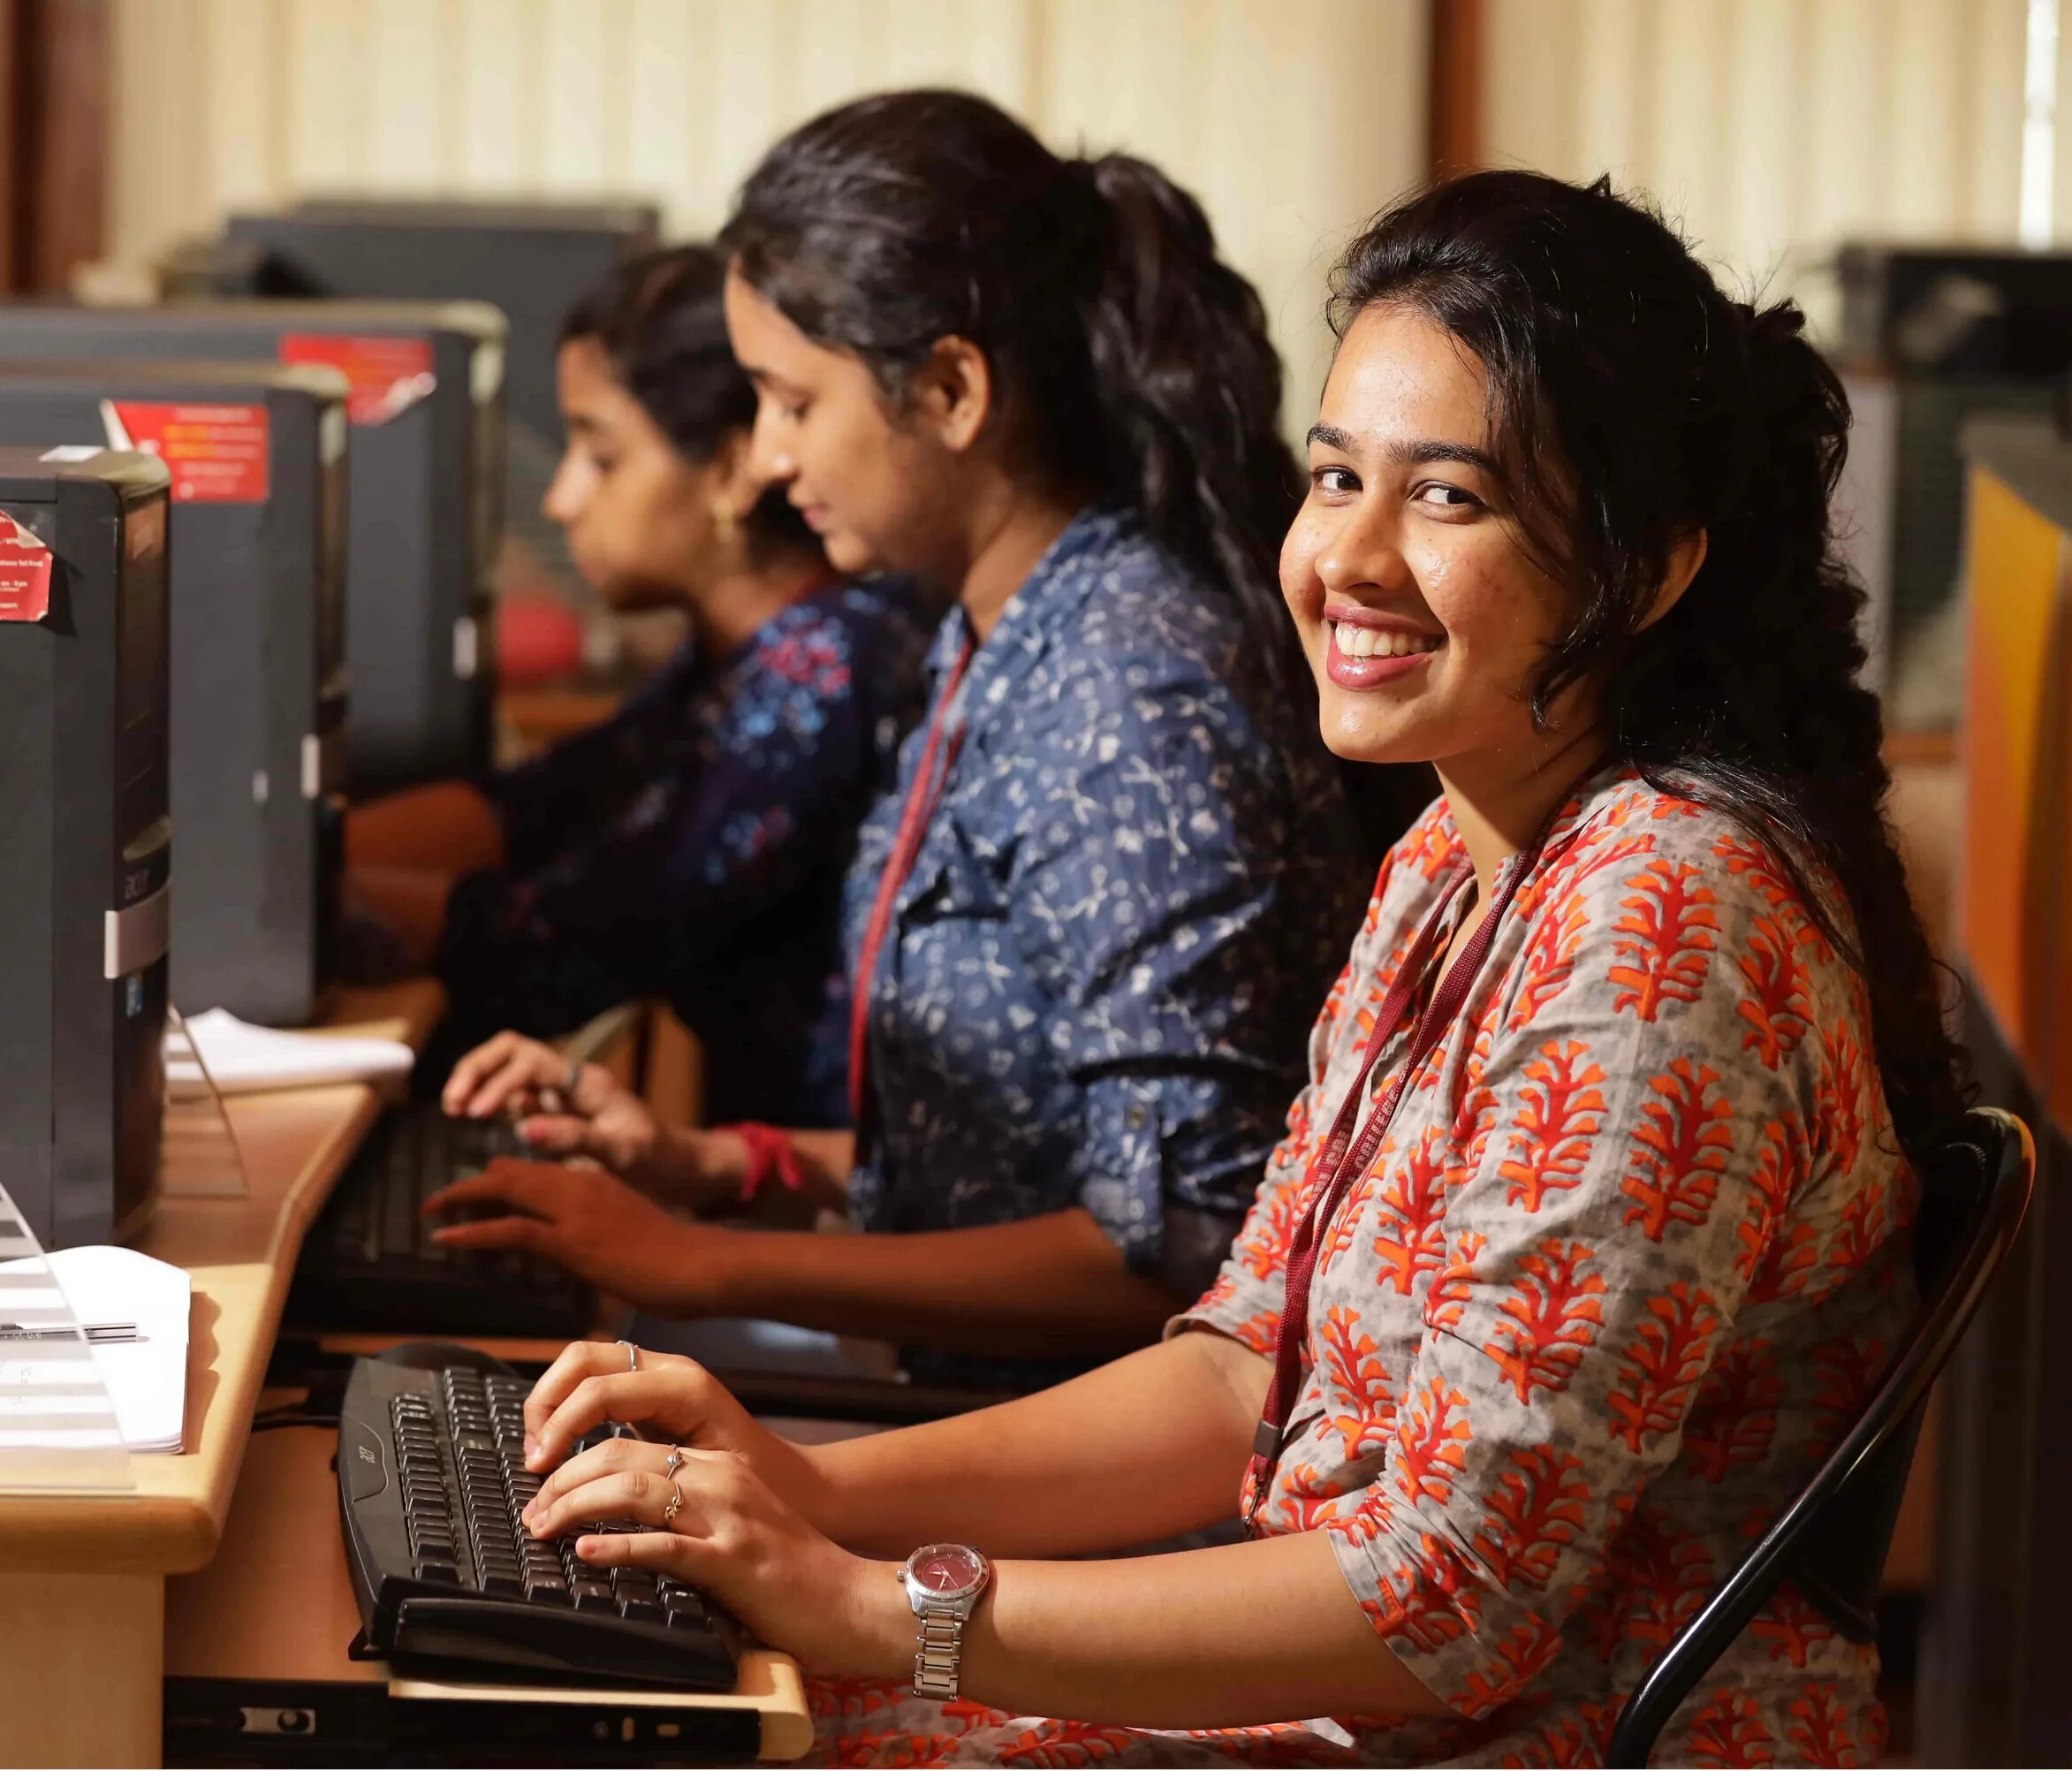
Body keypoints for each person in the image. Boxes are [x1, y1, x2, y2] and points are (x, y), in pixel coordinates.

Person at [495, 170, 1966, 1765]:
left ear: (1646, 567)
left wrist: (879, 1610)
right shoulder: (1457, 853)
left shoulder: (1666, 919)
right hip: (1365, 1696)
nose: (1353, 557)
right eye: (1336, 478)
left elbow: (1446, 1599)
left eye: (1451, 498)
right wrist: (811, 1488)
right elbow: (1242, 1364)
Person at [429, 90, 1362, 1389]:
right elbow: (1007, 1161)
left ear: (949, 389)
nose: (762, 456)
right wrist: (719, 1165)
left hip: (1070, 1482)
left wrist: (708, 1259)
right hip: (950, 1397)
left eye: (790, 402)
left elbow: (1177, 1246)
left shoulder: (1126, 691)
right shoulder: (989, 630)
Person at [346, 245, 926, 1128]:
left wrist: (283, 903)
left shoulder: (823, 672)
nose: (562, 498)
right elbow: (537, 803)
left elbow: (566, 941)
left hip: (829, 1223)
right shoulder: (742, 658)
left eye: (601, 455)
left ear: (731, 470)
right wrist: (303, 859)